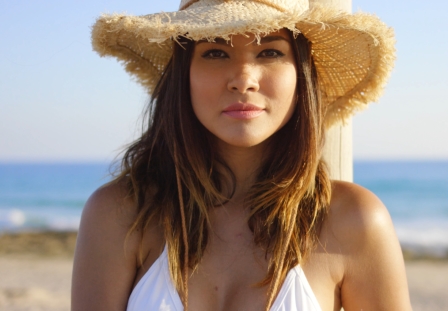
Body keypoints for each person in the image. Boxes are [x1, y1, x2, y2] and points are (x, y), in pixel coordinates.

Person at [71, 0, 412, 310]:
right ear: (183, 74)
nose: (243, 80)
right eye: (216, 53)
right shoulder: (118, 215)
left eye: (270, 52)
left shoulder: (355, 220)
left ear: (301, 74)